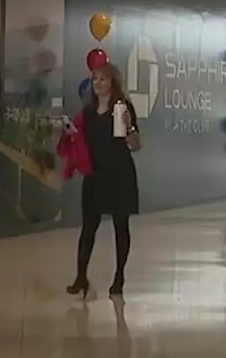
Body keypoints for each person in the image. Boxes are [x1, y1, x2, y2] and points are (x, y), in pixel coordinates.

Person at [64, 63, 141, 297]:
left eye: (103, 79)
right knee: (88, 227)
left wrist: (129, 128)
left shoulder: (123, 107)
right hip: (95, 174)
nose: (98, 83)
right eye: (95, 79)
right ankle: (80, 277)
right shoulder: (87, 112)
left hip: (119, 173)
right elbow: (82, 142)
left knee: (120, 226)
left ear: (112, 83)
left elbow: (136, 145)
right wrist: (71, 135)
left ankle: (119, 277)